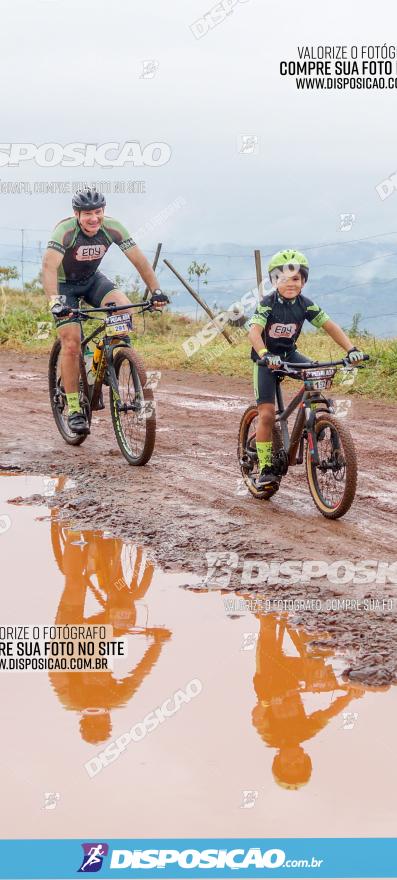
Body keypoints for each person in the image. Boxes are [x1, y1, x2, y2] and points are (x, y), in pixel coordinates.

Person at [42, 189, 169, 435]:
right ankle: (75, 408)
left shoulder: (113, 228)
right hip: (64, 286)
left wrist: (156, 291)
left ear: (103, 212)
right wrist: (55, 303)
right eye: (87, 213)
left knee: (124, 308)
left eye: (98, 212)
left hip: (92, 280)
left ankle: (112, 359)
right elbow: (49, 266)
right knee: (71, 343)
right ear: (77, 214)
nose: (93, 218)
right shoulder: (65, 231)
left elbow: (140, 261)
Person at [248, 249, 366, 490]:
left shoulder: (305, 305)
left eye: (296, 278)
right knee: (268, 415)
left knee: (317, 375)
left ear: (303, 281)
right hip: (266, 361)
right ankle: (266, 467)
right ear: (274, 281)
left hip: (290, 355)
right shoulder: (267, 304)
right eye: (283, 278)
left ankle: (317, 423)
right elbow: (254, 332)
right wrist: (264, 354)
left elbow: (329, 325)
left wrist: (351, 348)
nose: (290, 284)